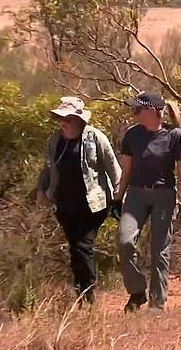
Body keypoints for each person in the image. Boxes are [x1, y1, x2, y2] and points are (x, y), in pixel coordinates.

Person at [36, 96, 122, 305]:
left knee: (82, 245)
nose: (63, 123)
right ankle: (82, 292)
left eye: (67, 119)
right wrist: (41, 190)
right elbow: (48, 168)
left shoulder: (96, 138)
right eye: (61, 119)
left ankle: (88, 293)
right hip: (64, 205)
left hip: (93, 205)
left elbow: (114, 169)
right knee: (75, 247)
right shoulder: (54, 141)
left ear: (78, 120)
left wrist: (119, 199)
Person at [114, 91, 181, 313]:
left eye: (138, 109)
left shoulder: (174, 135)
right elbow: (126, 170)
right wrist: (118, 199)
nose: (134, 112)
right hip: (137, 194)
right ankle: (137, 292)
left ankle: (157, 303)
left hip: (163, 195)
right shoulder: (132, 135)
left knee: (160, 249)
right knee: (124, 241)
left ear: (152, 112)